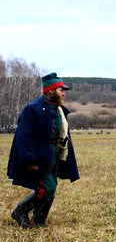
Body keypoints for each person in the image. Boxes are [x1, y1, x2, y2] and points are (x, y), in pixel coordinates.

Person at [7, 72, 79, 228]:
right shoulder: (33, 109)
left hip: (55, 154)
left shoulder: (60, 110)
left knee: (51, 187)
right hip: (39, 156)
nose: (64, 93)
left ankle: (40, 220)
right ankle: (20, 211)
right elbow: (23, 137)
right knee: (47, 187)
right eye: (61, 90)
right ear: (50, 91)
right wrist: (30, 160)